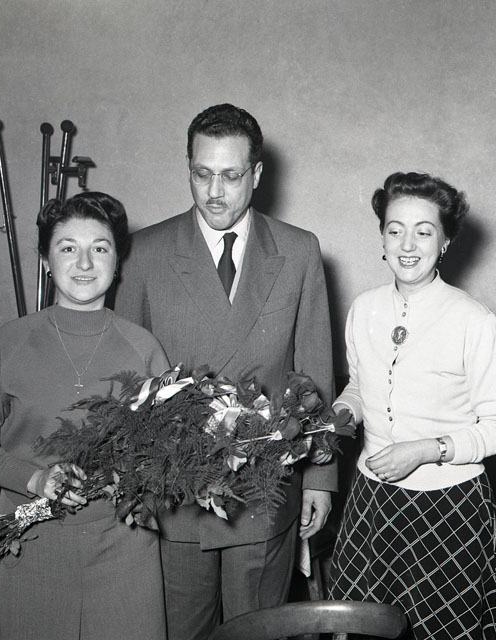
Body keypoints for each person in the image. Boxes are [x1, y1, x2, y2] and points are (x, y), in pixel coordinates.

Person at [115, 103, 337, 640]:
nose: (215, 192)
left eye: (231, 176)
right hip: (174, 496)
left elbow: (314, 377)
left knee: (257, 631)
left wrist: (320, 479)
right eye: (202, 173)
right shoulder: (145, 252)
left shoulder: (299, 251)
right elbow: (124, 381)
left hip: (264, 492)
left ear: (256, 174)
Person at [0, 192, 169, 640]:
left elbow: (165, 452)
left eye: (100, 248)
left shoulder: (144, 348)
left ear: (117, 261)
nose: (85, 263)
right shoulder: (10, 343)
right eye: (68, 247)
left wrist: (125, 478)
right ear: (46, 260)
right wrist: (33, 479)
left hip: (123, 546)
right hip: (33, 545)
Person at [328, 171, 496, 639]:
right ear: (382, 237)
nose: (407, 245)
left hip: (448, 509)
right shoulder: (364, 309)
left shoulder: (474, 321)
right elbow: (359, 387)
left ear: (446, 241)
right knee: (365, 628)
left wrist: (425, 450)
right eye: (395, 229)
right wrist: (340, 415)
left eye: (423, 231)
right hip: (372, 502)